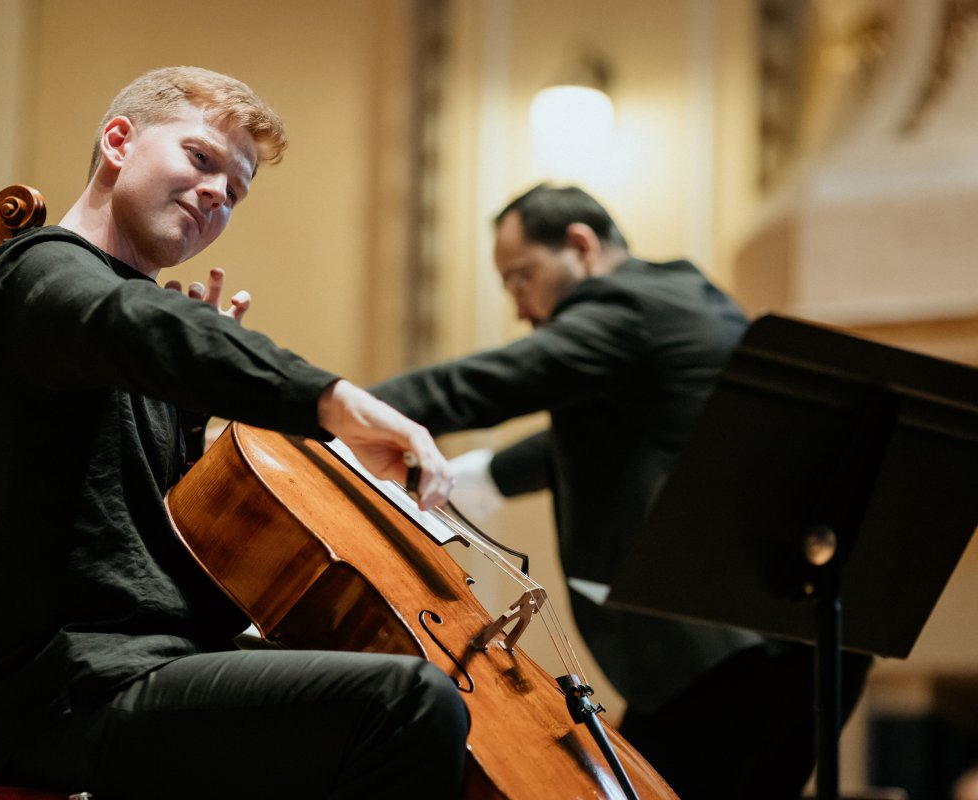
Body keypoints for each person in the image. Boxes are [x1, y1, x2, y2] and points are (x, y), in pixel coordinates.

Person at [0, 66, 468, 800]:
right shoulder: (32, 275)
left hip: (156, 669)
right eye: (200, 158)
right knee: (404, 705)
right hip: (75, 693)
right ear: (119, 141)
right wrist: (333, 401)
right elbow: (138, 326)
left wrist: (186, 415)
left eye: (238, 189)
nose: (220, 192)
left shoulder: (131, 332)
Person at [370, 183, 871, 799]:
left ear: (579, 245)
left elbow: (487, 383)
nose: (521, 307)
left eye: (520, 277)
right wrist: (487, 478)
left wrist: (330, 410)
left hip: (723, 652)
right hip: (801, 640)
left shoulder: (625, 309)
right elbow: (605, 436)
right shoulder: (688, 296)